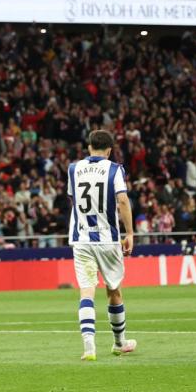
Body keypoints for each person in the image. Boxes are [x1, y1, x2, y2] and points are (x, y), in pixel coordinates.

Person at [68, 130, 136, 361]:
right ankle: (119, 343)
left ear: (89, 147)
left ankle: (89, 348)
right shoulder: (115, 169)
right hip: (107, 239)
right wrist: (130, 233)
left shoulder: (73, 169)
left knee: (86, 290)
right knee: (113, 290)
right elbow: (123, 200)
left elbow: (73, 199)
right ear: (109, 150)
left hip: (81, 239)